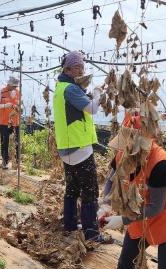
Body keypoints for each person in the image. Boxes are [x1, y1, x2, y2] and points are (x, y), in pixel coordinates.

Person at [101, 116, 166, 269]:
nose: (126, 149)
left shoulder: (162, 164)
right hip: (138, 214)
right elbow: (111, 180)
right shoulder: (122, 154)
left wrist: (122, 219)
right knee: (127, 259)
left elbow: (156, 208)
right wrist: (104, 204)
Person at [53, 50, 109, 242]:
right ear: (67, 68)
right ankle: (92, 233)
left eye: (83, 67)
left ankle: (69, 224)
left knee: (72, 188)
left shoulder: (61, 87)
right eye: (78, 66)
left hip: (66, 147)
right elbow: (92, 109)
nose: (81, 70)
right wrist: (97, 93)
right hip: (79, 148)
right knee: (90, 190)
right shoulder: (70, 89)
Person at [0, 77, 21, 169]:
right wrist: (5, 105)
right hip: (4, 122)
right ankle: (4, 162)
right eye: (13, 86)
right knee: (4, 142)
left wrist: (18, 107)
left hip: (15, 122)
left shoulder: (18, 92)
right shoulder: (1, 91)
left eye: (15, 86)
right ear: (9, 84)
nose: (14, 88)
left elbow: (20, 104)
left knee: (17, 142)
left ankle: (17, 162)